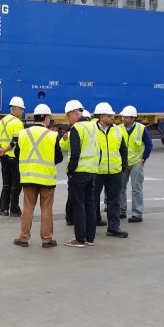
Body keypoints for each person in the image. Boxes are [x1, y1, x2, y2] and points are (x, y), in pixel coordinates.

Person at [13, 103, 64, 248]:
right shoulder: (52, 136)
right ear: (46, 119)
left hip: (28, 177)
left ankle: (23, 238)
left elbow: (17, 154)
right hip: (47, 179)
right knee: (46, 209)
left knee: (28, 208)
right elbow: (59, 157)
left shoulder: (23, 134)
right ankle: (47, 239)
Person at [61, 100, 99, 247]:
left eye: (68, 115)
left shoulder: (76, 128)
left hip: (79, 172)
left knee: (79, 206)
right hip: (92, 171)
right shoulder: (94, 127)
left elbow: (75, 153)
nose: (67, 119)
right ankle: (90, 238)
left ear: (75, 113)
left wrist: (70, 171)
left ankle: (79, 238)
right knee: (90, 205)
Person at [92, 102, 129, 238]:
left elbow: (123, 149)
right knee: (92, 200)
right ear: (101, 117)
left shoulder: (117, 130)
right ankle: (91, 225)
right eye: (109, 116)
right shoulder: (92, 130)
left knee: (114, 201)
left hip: (115, 172)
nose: (113, 118)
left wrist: (123, 166)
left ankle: (113, 227)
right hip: (96, 171)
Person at [119, 105, 152, 223]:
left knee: (136, 188)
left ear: (133, 118)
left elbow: (149, 144)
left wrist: (143, 159)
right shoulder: (118, 129)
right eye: (122, 117)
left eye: (126, 117)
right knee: (120, 188)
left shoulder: (141, 129)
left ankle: (137, 213)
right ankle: (121, 211)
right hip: (122, 163)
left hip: (136, 163)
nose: (123, 119)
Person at [0, 96, 25, 217]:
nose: (22, 112)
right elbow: (15, 142)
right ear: (15, 109)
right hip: (14, 157)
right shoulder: (18, 123)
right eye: (21, 109)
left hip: (3, 157)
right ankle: (14, 209)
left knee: (6, 183)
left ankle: (3, 209)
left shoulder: (1, 121)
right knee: (15, 185)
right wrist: (4, 150)